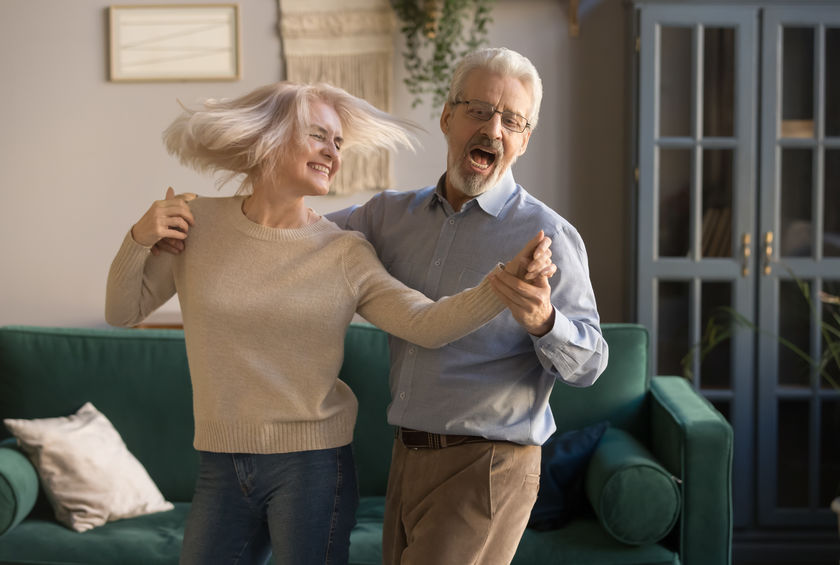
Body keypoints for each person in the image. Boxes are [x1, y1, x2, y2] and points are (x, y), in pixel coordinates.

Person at [105, 81, 555, 565]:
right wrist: (138, 236)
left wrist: (503, 286)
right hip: (220, 463)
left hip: (313, 467)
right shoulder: (197, 225)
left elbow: (425, 323)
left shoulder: (342, 250)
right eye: (319, 136)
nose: (333, 153)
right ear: (270, 135)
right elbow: (122, 311)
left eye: (338, 143)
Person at [325, 47, 610, 565]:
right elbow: (299, 239)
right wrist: (207, 219)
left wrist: (544, 322)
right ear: (447, 117)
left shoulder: (549, 236)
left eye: (512, 120)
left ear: (523, 139)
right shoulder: (389, 217)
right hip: (406, 456)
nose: (493, 129)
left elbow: (591, 364)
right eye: (478, 110)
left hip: (489, 464)